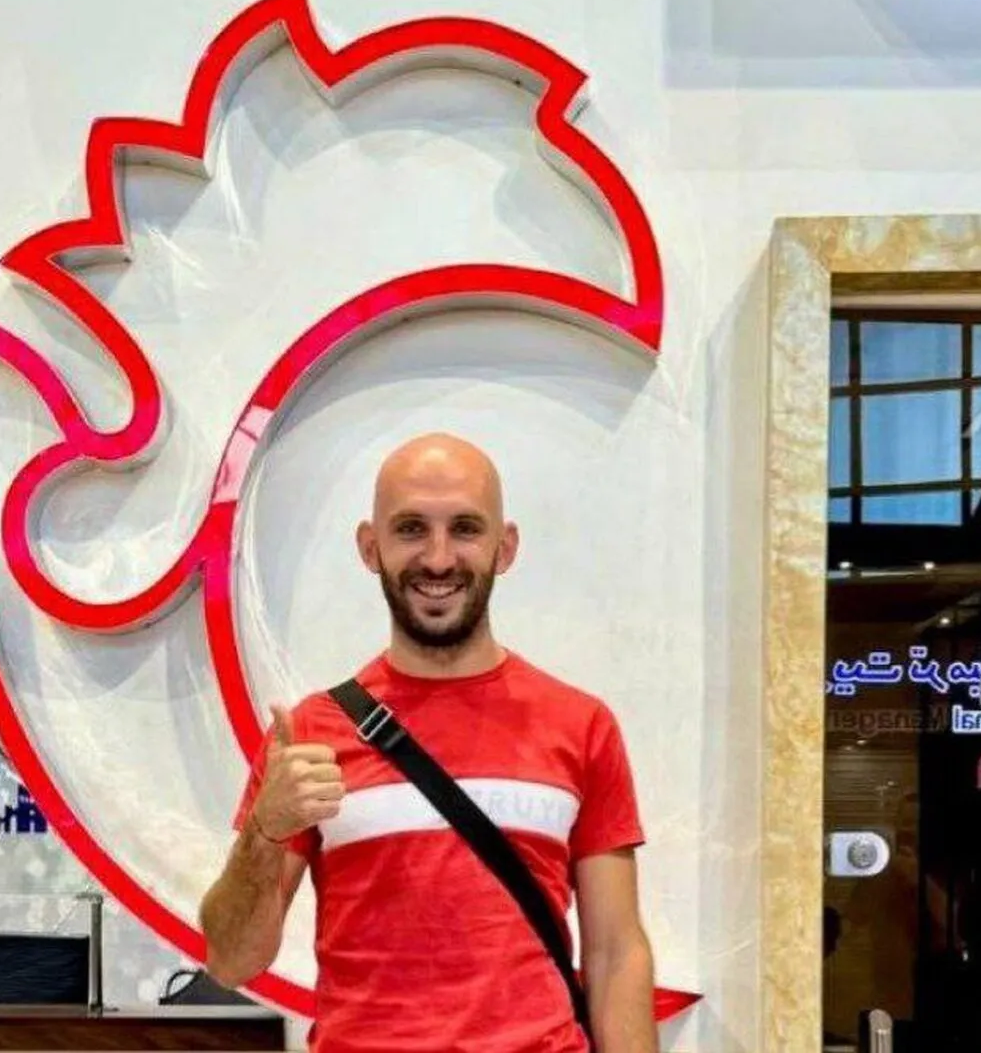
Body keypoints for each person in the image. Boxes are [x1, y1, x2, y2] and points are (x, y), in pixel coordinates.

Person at [199, 433, 657, 1052]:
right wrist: (264, 830)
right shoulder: (308, 734)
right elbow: (231, 960)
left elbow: (616, 953)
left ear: (504, 547)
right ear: (370, 547)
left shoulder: (581, 725)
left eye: (464, 529)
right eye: (411, 529)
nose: (439, 559)